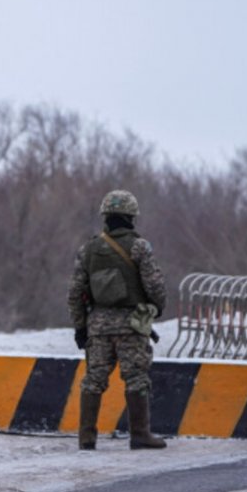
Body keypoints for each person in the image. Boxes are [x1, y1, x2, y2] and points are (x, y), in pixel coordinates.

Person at [67, 190, 167, 451]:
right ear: (132, 216)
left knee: (93, 380)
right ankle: (140, 435)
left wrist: (80, 327)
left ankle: (86, 439)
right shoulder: (139, 247)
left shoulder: (88, 249)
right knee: (136, 378)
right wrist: (155, 311)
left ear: (105, 216)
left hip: (98, 327)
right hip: (132, 326)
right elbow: (155, 286)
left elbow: (76, 293)